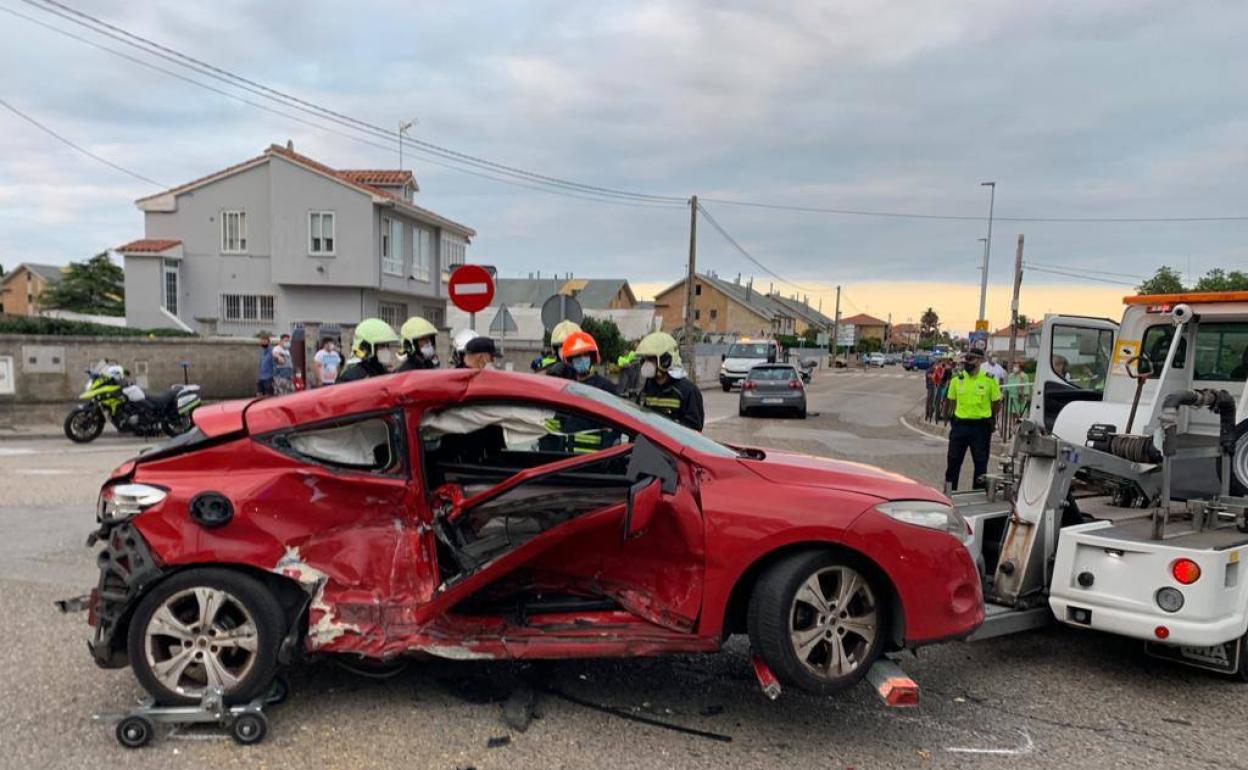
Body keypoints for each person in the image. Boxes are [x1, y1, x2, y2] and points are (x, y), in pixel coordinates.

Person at [944, 349, 1002, 492]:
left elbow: (996, 402)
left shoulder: (989, 379)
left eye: (971, 360)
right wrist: (953, 417)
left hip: (980, 428)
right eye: (966, 360)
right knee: (953, 462)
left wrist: (990, 418)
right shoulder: (957, 379)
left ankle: (978, 495)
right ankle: (949, 494)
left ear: (980, 361)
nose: (967, 363)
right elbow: (951, 401)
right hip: (960, 426)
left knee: (981, 465)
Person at [635, 331, 704, 431]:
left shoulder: (688, 391)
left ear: (665, 360)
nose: (646, 364)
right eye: (645, 359)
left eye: (651, 359)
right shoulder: (647, 387)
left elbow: (694, 430)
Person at [338, 318, 400, 382]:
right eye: (382, 346)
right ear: (367, 347)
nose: (386, 350)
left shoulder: (383, 373)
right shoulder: (353, 377)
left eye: (387, 346)